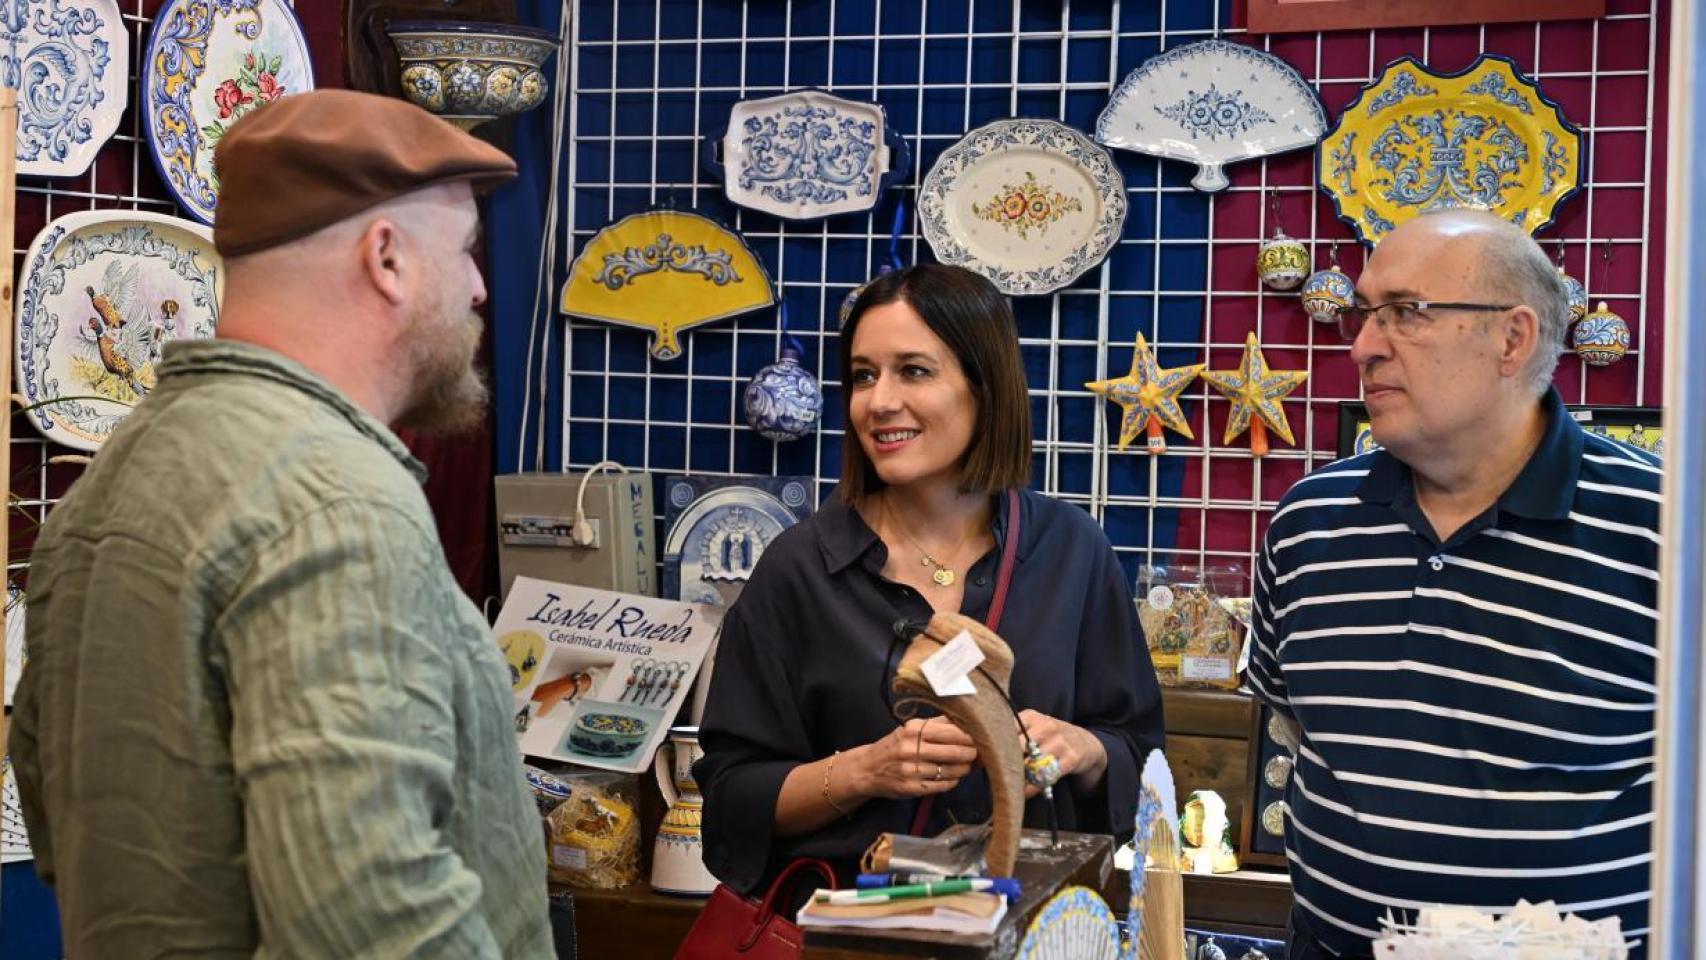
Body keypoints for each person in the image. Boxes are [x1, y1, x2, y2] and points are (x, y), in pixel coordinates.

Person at [8, 90, 553, 958]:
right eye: (466, 250)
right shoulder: (334, 500)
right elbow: (369, 921)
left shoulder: (107, 484)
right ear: (388, 259)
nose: (482, 286)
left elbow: (62, 823)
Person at [1249, 209, 1659, 959]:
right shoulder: (1307, 523)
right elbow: (1298, 723)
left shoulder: (1667, 529)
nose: (1365, 347)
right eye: (1366, 314)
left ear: (1513, 338)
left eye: (1406, 313)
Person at [694, 263, 1164, 897]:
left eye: (914, 370)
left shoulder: (1071, 552)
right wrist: (867, 770)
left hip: (1027, 931)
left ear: (984, 385)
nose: (880, 401)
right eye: (863, 375)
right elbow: (730, 798)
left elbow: (1141, 756)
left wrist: (1082, 748)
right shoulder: (798, 570)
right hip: (853, 937)